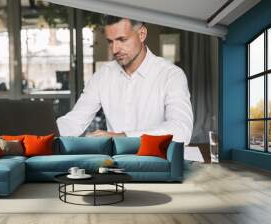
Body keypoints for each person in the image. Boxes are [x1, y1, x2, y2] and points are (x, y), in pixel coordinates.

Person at [56, 15, 193, 144]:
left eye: (122, 40)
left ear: (142, 34)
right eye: (110, 42)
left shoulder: (171, 75)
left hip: (156, 163)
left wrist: (123, 137)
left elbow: (181, 130)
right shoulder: (103, 75)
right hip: (113, 165)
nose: (115, 50)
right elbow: (74, 122)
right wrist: (44, 133)